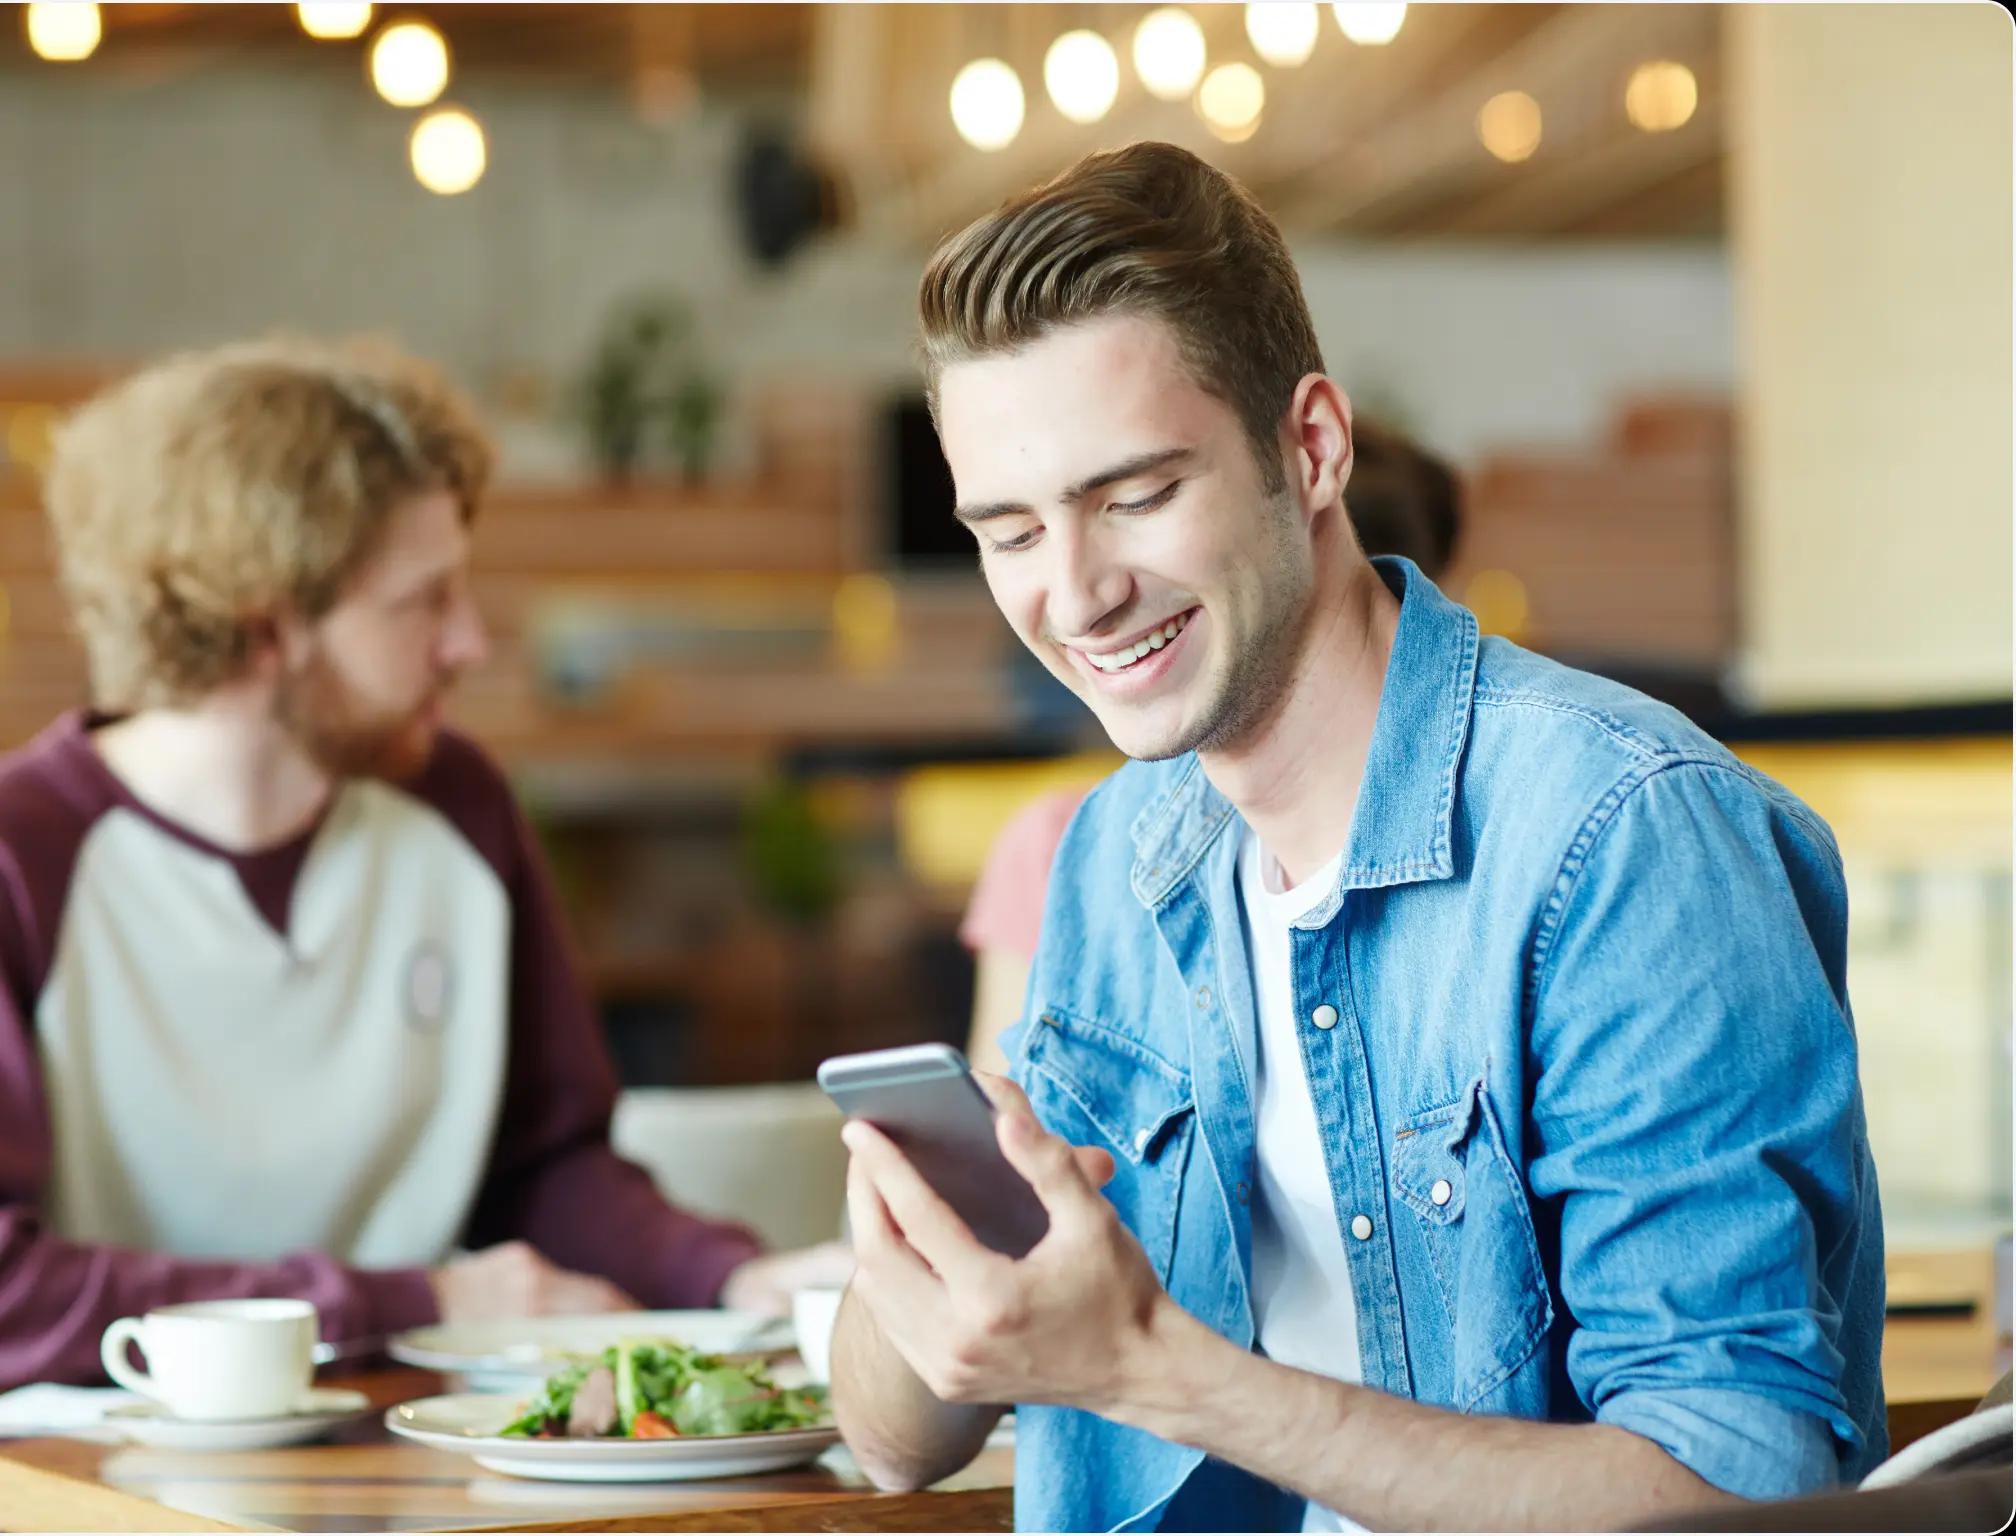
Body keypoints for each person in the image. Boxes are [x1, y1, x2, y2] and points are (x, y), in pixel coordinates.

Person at [830, 142, 1885, 1532]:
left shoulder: (1623, 838)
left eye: (1134, 495)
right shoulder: (1113, 858)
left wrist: (1160, 1375)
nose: (1073, 593)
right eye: (1010, 529)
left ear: (1310, 447)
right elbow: (893, 1443)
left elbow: (1731, 1492)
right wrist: (926, 1275)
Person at [0, 337, 848, 1392]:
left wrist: (732, 1278)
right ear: (264, 626)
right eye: (423, 602)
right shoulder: (20, 858)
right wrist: (420, 1305)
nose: (469, 643)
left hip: (424, 1455)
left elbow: (543, 1167)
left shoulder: (460, 806)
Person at [959, 422, 1464, 1075]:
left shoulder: (1548, 831)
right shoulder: (1077, 850)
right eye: (1014, 537)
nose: (1081, 604)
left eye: (1144, 498)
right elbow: (1006, 1128)